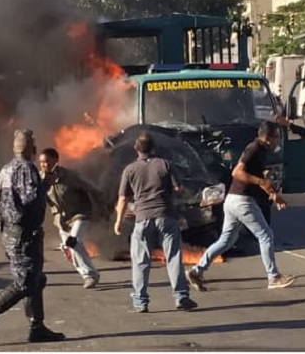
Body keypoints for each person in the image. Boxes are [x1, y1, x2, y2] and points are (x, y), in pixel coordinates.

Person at [0, 129, 64, 344]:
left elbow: (1, 203)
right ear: (31, 148)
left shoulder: (5, 170)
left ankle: (37, 326)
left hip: (11, 231)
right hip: (24, 234)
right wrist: (46, 184)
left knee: (36, 279)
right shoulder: (26, 168)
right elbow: (30, 199)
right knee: (25, 282)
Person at [187, 121, 295, 293]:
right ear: (267, 137)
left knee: (226, 240)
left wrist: (273, 194)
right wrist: (260, 181)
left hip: (233, 200)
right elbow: (237, 172)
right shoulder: (254, 148)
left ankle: (197, 271)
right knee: (265, 234)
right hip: (242, 200)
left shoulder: (261, 151)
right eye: (276, 137)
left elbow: (261, 176)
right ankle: (273, 276)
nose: (278, 141)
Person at [114, 132, 197, 313]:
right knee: (173, 257)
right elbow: (179, 188)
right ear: (154, 148)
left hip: (142, 219)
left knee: (141, 261)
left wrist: (118, 222)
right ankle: (181, 296)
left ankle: (141, 301)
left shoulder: (129, 170)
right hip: (166, 217)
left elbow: (122, 199)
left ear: (136, 149)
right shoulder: (166, 164)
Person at [38, 147, 103, 289]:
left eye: (48, 161)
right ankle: (90, 273)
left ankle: (89, 275)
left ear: (56, 160)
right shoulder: (40, 180)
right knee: (68, 247)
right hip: (62, 220)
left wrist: (103, 206)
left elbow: (92, 189)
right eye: (42, 162)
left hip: (80, 214)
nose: (45, 165)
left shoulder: (70, 176)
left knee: (72, 242)